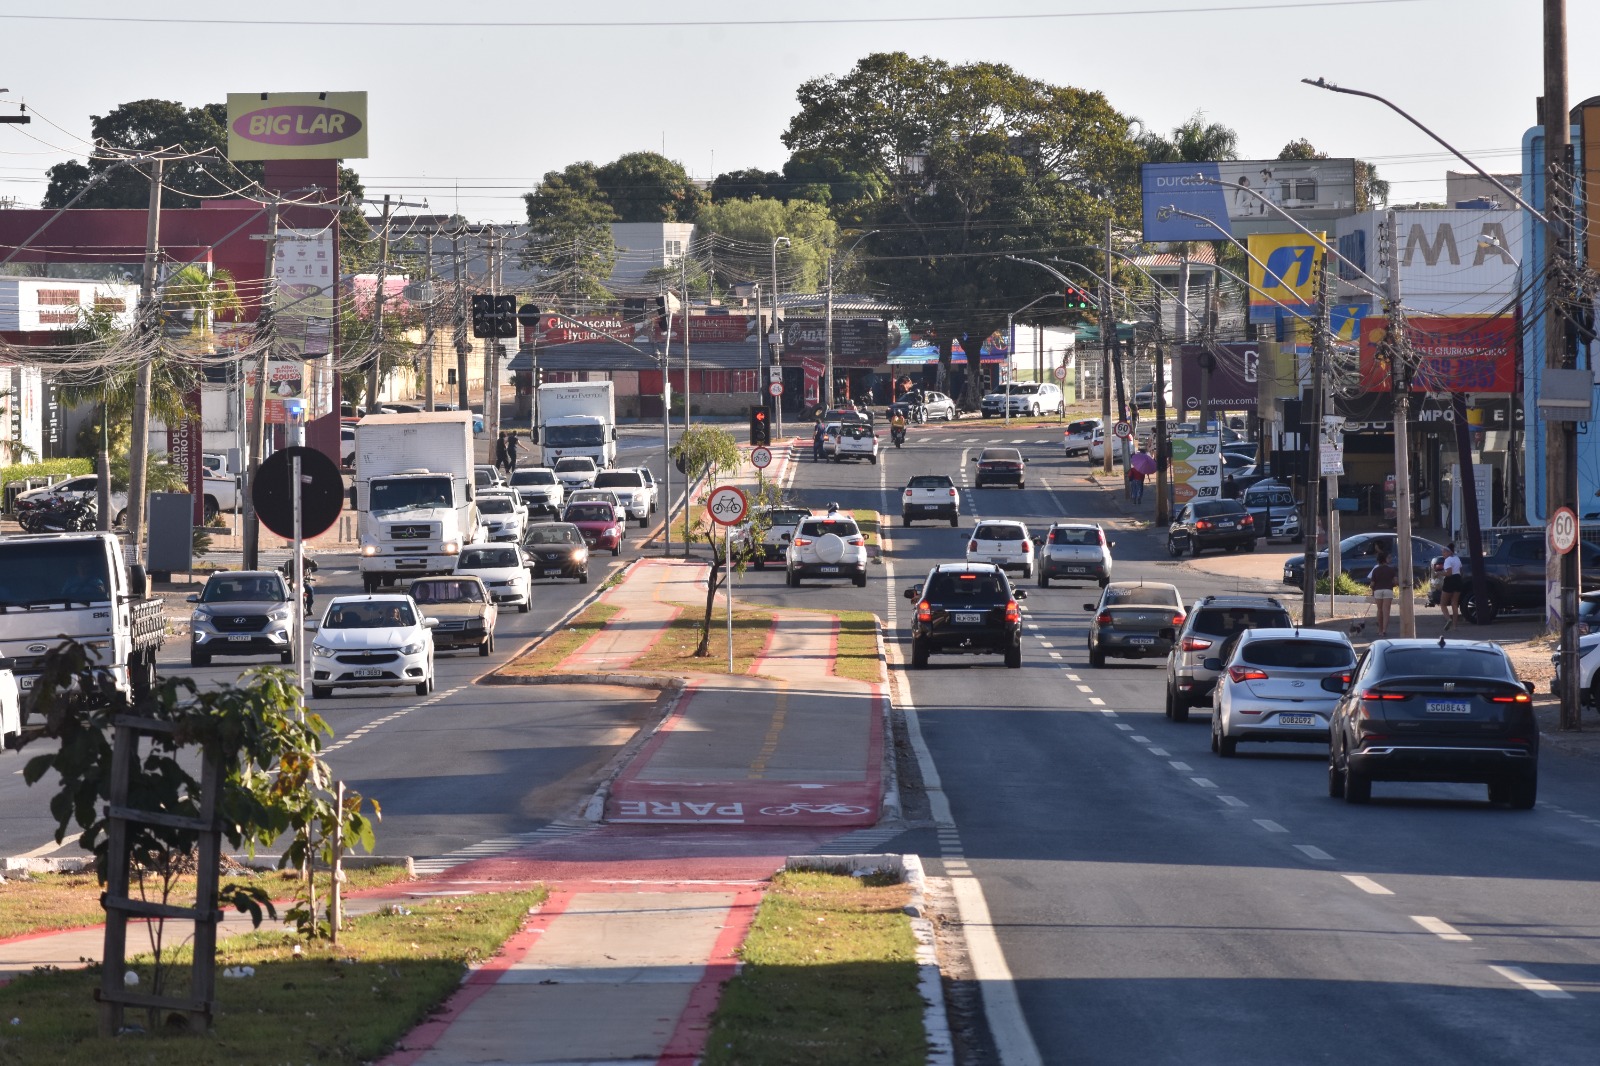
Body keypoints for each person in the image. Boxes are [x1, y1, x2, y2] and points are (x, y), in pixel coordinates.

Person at [1368, 550, 1399, 638]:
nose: (1390, 559)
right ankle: (1384, 630)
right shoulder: (1391, 569)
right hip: (1388, 590)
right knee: (1386, 611)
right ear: (1384, 559)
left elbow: (1372, 584)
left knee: (1379, 610)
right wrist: (1392, 584)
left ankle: (1379, 630)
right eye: (1388, 557)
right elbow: (1396, 582)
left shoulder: (1375, 570)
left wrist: (1372, 589)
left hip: (1377, 591)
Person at [1439, 542, 1463, 629]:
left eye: (1445, 552)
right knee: (1454, 603)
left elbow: (1449, 573)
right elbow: (1460, 570)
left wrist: (1439, 574)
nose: (1443, 553)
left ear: (1450, 552)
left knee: (1443, 604)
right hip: (1458, 579)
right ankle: (1455, 625)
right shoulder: (1457, 559)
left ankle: (1448, 619)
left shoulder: (1447, 560)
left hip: (1450, 580)